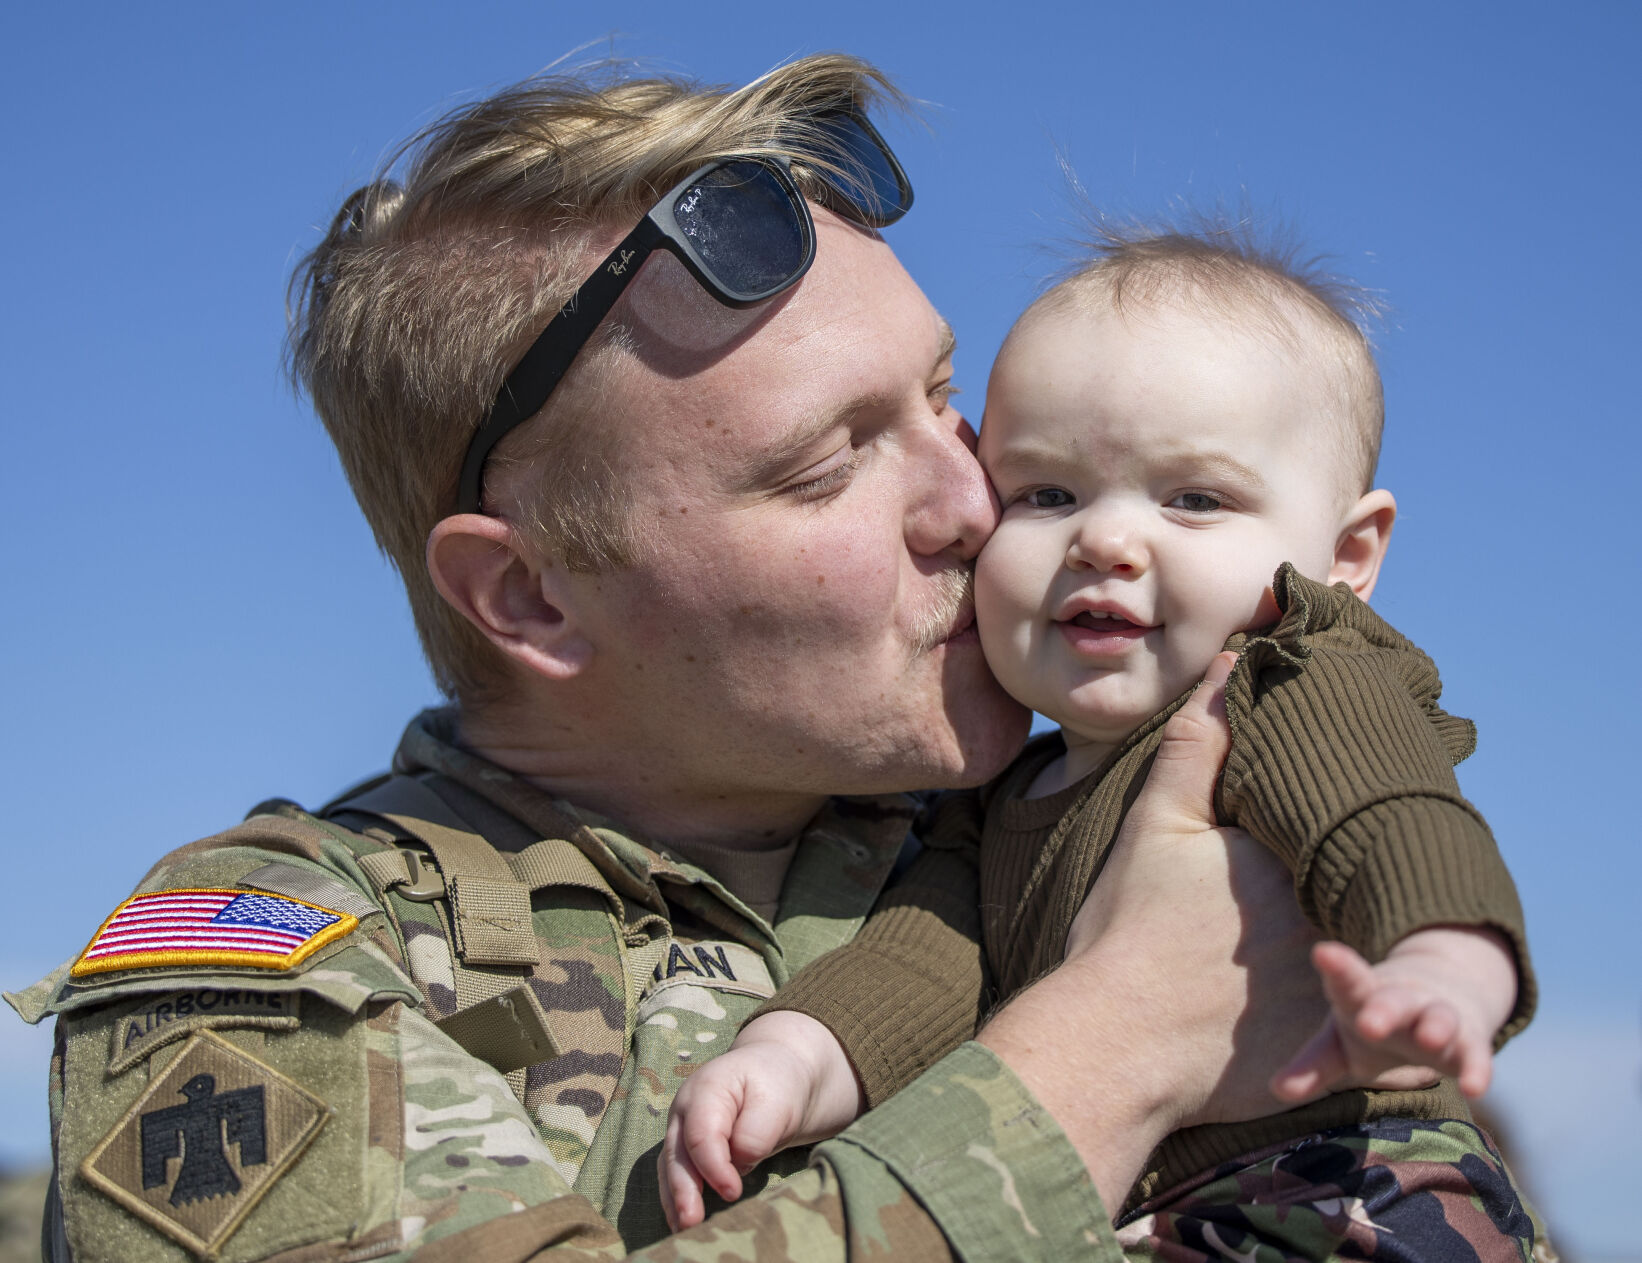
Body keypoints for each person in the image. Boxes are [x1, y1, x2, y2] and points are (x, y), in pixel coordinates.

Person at [1, 57, 1534, 1263]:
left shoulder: (1113, 817)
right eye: (826, 467)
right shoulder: (273, 963)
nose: (975, 503)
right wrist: (1113, 1043)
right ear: (530, 595)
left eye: (948, 402)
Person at [661, 226, 1545, 1254]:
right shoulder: (1007, 792)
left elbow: (1386, 815)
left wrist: (1439, 965)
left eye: (1193, 500)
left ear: (1347, 554)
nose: (1105, 541)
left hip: (1350, 1192)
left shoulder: (1290, 678)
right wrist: (794, 1054)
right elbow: (924, 958)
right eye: (1047, 494)